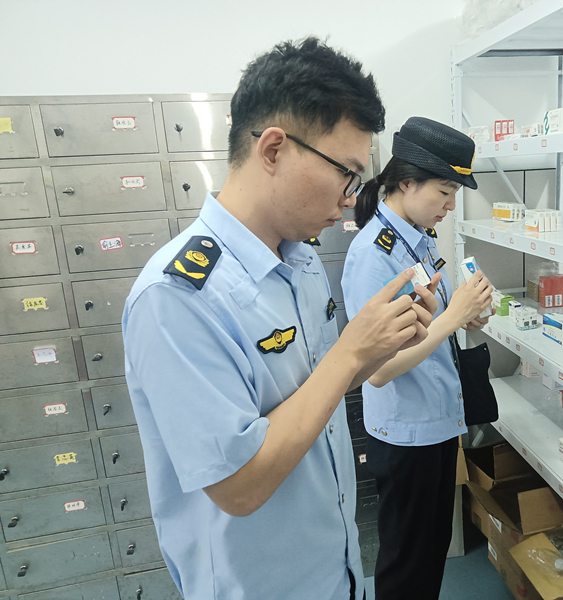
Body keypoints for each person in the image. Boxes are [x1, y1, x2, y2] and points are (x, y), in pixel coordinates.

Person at [121, 38, 440, 600]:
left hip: (334, 567)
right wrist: (351, 350)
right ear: (273, 149)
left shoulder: (300, 259)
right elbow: (238, 487)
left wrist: (385, 342)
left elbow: (320, 386)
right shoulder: (176, 297)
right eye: (346, 173)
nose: (351, 198)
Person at [341, 117, 494, 600]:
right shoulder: (374, 255)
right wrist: (452, 319)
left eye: (455, 194)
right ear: (406, 182)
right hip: (407, 433)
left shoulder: (417, 236)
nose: (450, 206)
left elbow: (424, 326)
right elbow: (379, 369)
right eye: (445, 192)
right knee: (408, 564)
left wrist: (464, 316)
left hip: (435, 421)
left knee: (428, 553)